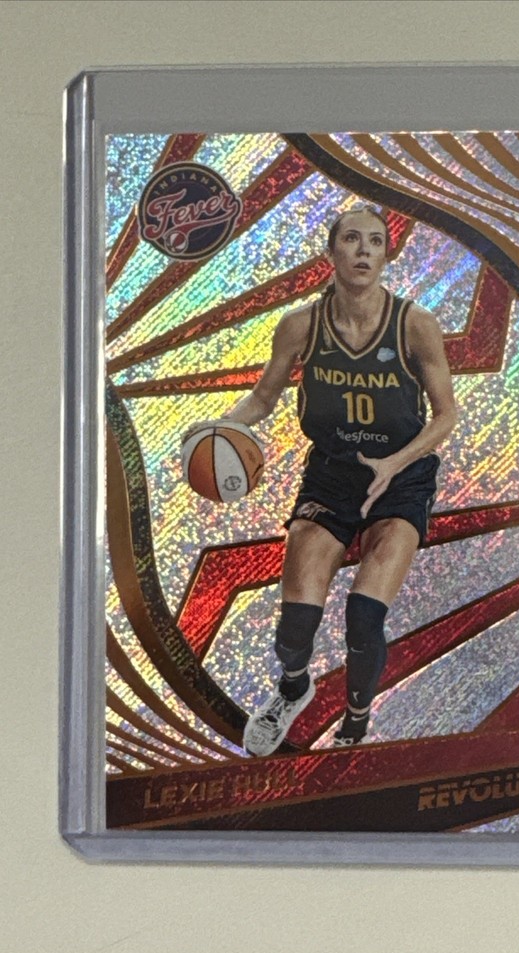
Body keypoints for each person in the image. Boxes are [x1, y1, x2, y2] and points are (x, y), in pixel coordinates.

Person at [192, 204, 457, 756]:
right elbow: (263, 398)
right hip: (332, 476)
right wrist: (219, 428)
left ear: (386, 256)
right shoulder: (300, 326)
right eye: (352, 239)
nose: (364, 250)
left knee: (363, 616)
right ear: (331, 251)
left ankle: (355, 723)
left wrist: (395, 463)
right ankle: (293, 689)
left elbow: (445, 416)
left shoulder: (414, 324)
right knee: (295, 626)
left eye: (375, 241)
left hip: (400, 476)